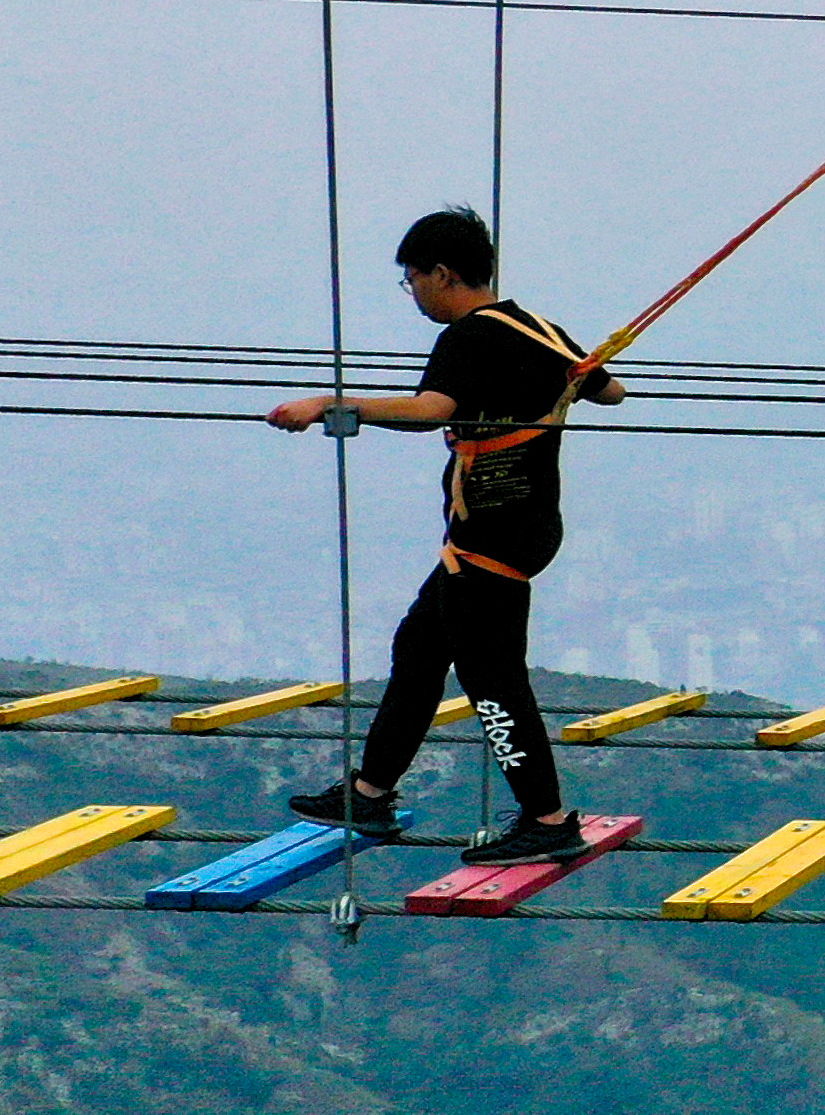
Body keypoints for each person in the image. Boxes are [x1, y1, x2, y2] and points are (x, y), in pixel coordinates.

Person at [259, 209, 618, 863]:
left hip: (495, 533)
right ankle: (369, 792)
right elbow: (611, 391)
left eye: (413, 279)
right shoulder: (541, 328)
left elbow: (431, 413)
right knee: (421, 645)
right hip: (523, 525)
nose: (414, 292)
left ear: (443, 274)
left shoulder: (469, 337)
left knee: (492, 677)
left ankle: (548, 818)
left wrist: (331, 405)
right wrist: (573, 372)